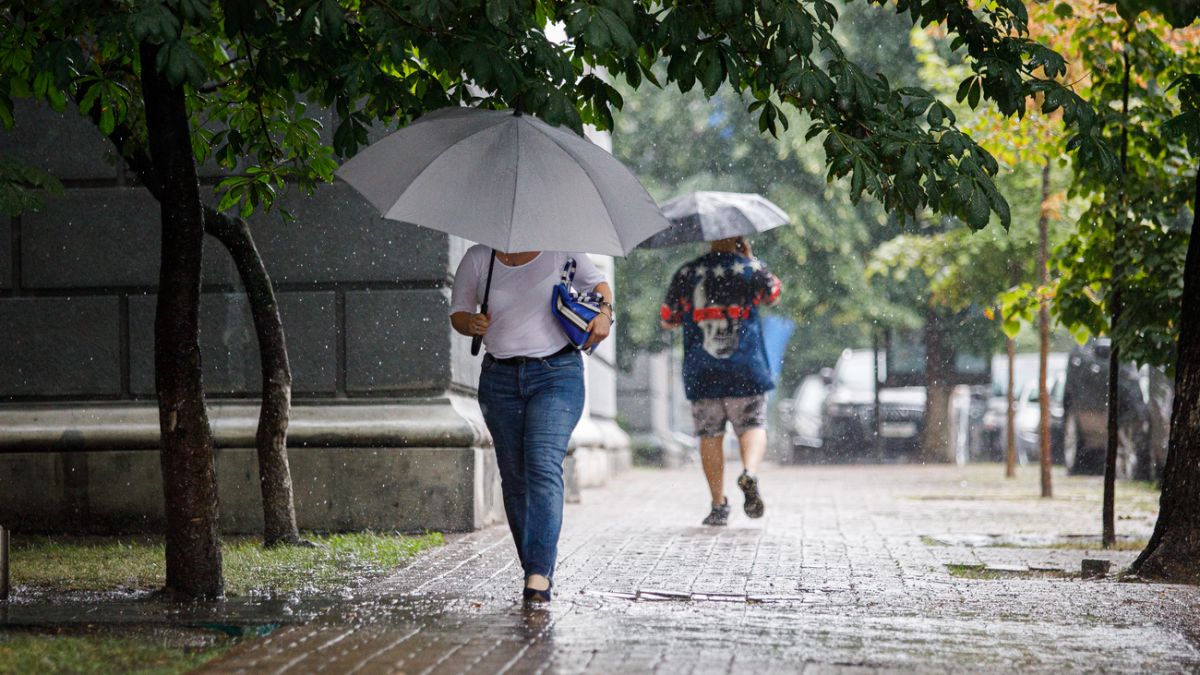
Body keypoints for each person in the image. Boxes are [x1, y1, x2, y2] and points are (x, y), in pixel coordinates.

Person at [450, 245, 613, 603]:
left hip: (557, 375)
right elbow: (458, 312)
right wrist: (471, 323)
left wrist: (604, 313)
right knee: (515, 477)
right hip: (499, 379)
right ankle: (534, 567)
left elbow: (600, 285)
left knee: (542, 463)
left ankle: (538, 573)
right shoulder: (479, 258)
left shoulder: (561, 250)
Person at [660, 236, 782, 526]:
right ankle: (749, 472)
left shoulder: (687, 273)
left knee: (710, 434)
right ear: (738, 237)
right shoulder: (751, 269)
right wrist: (750, 258)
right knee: (752, 424)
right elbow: (774, 293)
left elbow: (667, 319)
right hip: (746, 368)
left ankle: (718, 505)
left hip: (703, 369)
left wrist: (694, 318)